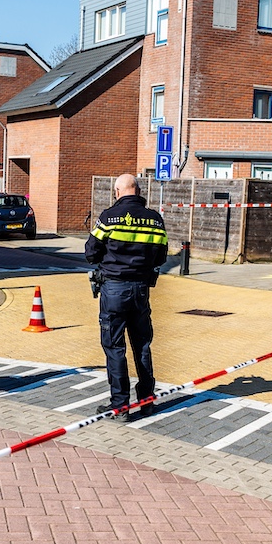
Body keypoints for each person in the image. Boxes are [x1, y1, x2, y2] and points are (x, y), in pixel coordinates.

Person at [85, 174, 169, 421]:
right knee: (142, 345)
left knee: (114, 347)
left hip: (114, 290)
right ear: (138, 191)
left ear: (117, 191)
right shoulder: (155, 220)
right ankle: (147, 401)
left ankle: (120, 406)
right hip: (141, 290)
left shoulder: (108, 217)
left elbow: (91, 252)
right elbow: (161, 256)